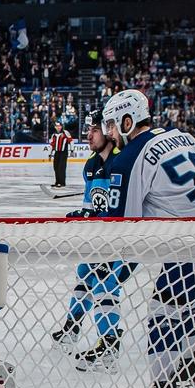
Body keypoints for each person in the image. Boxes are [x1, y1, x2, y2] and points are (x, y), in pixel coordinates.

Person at [101, 89, 195, 388]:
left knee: (164, 306)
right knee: (184, 301)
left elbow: (124, 225)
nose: (110, 134)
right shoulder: (184, 136)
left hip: (194, 241)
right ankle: (190, 368)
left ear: (127, 120)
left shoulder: (128, 158)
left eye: (113, 126)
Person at [50, 109, 132, 371]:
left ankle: (109, 347)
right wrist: (84, 215)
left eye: (94, 130)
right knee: (84, 275)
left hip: (120, 238)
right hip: (99, 236)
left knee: (106, 287)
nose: (89, 135)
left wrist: (97, 216)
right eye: (88, 130)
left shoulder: (122, 161)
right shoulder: (91, 165)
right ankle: (72, 328)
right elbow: (91, 204)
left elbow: (123, 208)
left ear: (109, 131)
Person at [48, 120, 72, 188]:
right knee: (56, 167)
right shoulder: (54, 135)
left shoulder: (66, 133)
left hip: (63, 153)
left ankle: (62, 182)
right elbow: (52, 145)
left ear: (61, 126)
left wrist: (72, 150)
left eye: (59, 126)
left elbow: (71, 141)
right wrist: (50, 154)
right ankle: (57, 182)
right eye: (57, 126)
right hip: (57, 152)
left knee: (61, 167)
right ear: (55, 127)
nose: (58, 127)